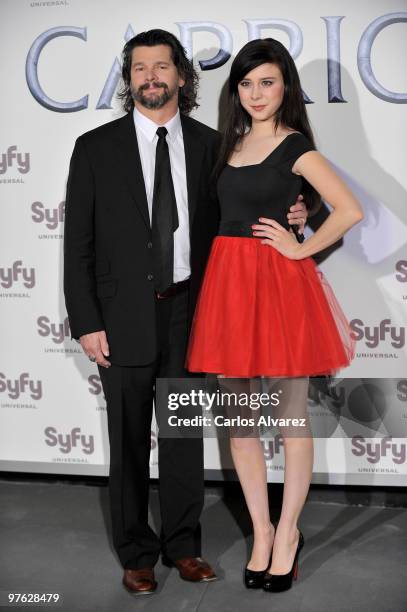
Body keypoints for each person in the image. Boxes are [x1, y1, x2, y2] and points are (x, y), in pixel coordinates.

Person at [63, 30, 309, 596]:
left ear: (181, 77)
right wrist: (87, 321)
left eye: (161, 67)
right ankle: (136, 553)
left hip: (192, 315)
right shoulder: (94, 148)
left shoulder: (211, 146)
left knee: (181, 437)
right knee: (126, 442)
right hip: (119, 319)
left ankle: (184, 546)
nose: (150, 76)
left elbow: (246, 209)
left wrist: (297, 213)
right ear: (129, 80)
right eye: (139, 68)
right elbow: (78, 243)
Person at [186, 38, 363, 593]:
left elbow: (351, 211)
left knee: (289, 420)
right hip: (229, 288)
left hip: (281, 289)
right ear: (234, 91)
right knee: (240, 423)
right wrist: (301, 215)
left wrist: (300, 246)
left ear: (285, 86)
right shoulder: (227, 146)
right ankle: (260, 532)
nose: (256, 93)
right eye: (246, 83)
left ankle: (288, 534)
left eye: (267, 81)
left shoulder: (296, 147)